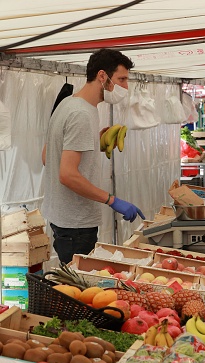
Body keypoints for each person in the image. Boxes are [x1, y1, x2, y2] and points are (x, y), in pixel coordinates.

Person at [41, 48, 145, 265]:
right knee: (75, 293)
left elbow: (47, 156)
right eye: (122, 79)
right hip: (77, 224)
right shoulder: (82, 114)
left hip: (63, 220)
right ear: (102, 76)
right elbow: (67, 175)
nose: (126, 87)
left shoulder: (68, 104)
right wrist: (112, 200)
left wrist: (92, 142)